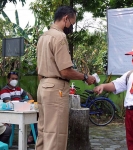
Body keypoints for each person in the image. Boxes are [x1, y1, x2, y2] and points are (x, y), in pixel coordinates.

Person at [36, 5, 96, 150]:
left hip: (43, 86)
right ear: (65, 18)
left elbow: (39, 69)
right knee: (55, 134)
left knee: (44, 132)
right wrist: (85, 77)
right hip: (56, 88)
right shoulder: (59, 37)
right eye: (72, 23)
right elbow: (65, 71)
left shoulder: (43, 37)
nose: (71, 27)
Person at [93, 42, 133, 150]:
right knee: (132, 144)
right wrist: (104, 86)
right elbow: (116, 84)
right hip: (130, 114)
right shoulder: (130, 74)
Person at [0, 71, 37, 145]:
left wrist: (29, 101)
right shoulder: (4, 90)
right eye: (12, 78)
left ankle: (31, 137)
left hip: (22, 110)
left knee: (37, 117)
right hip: (12, 114)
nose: (14, 80)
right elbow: (9, 103)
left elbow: (28, 95)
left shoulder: (19, 89)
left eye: (16, 79)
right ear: (8, 79)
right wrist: (22, 102)